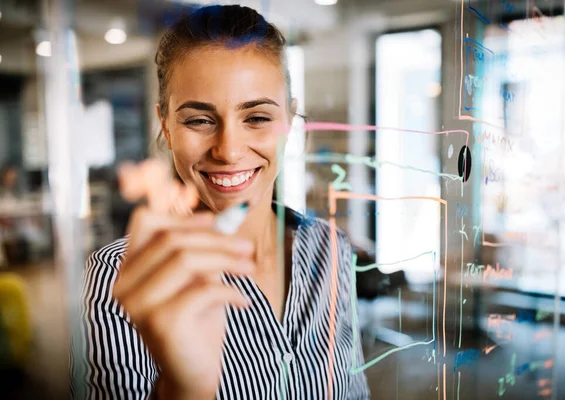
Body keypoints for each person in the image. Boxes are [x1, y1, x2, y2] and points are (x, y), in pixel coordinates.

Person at [71, 4, 369, 399]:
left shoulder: (329, 251)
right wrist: (183, 388)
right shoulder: (120, 279)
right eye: (199, 120)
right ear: (166, 126)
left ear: (290, 122)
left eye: (258, 118)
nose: (228, 151)